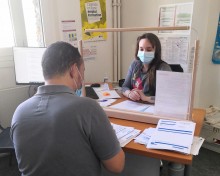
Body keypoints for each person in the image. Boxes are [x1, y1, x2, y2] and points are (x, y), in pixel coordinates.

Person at [11, 41, 125, 176]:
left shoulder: (19, 112)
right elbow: (117, 166)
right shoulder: (88, 108)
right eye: (82, 71)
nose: (82, 78)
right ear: (73, 70)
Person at [122, 33, 172, 103]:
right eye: (141, 49)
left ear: (156, 51)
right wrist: (129, 94)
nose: (144, 52)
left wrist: (146, 98)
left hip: (152, 109)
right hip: (134, 106)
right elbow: (124, 87)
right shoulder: (135, 64)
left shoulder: (163, 68)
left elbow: (166, 98)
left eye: (149, 50)